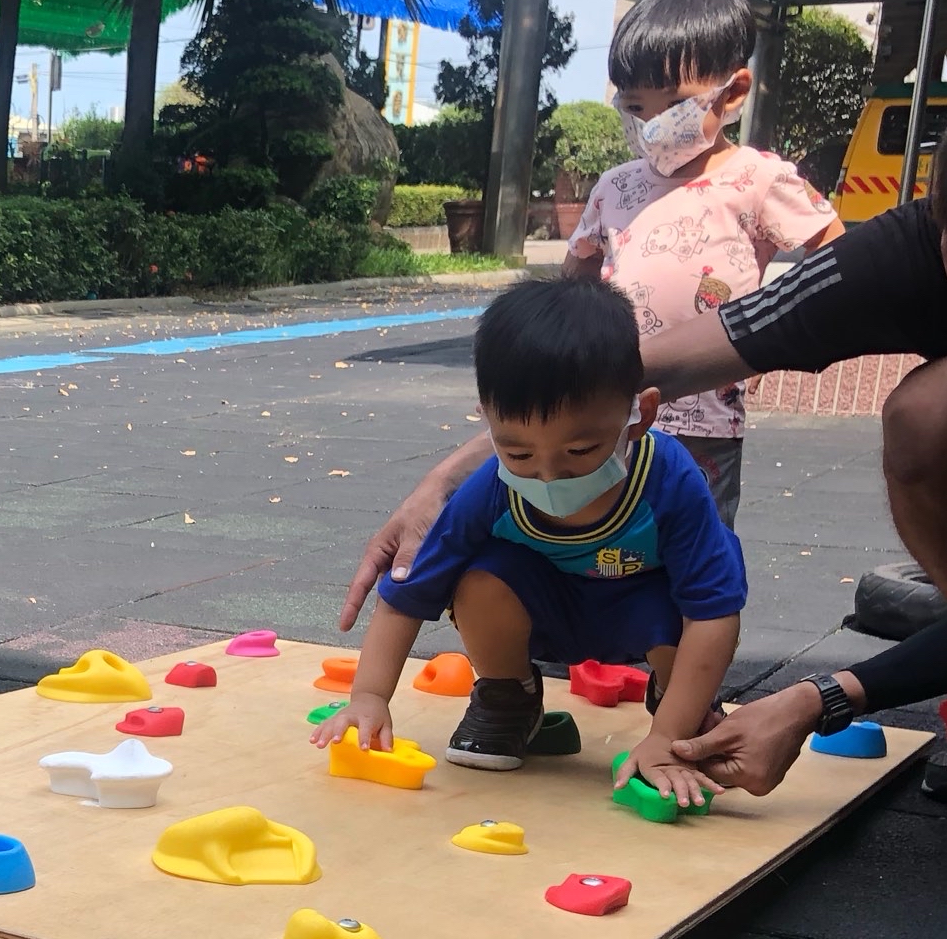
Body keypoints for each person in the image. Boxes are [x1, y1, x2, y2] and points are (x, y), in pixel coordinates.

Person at [348, 41, 947, 806]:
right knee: (938, 406)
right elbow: (672, 355)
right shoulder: (917, 247)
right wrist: (458, 473)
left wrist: (822, 697)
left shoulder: (668, 475)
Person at [314, 278, 744, 801]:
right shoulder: (490, 489)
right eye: (518, 453)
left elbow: (714, 613)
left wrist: (667, 737)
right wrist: (369, 697)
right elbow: (408, 592)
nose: (548, 475)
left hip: (645, 615)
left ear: (640, 415)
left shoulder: (670, 480)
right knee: (476, 578)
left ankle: (681, 710)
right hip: (543, 618)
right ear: (487, 421)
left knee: (695, 607)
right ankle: (509, 697)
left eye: (580, 451)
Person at [563, 0, 845, 526]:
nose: (651, 124)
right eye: (635, 106)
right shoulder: (616, 186)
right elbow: (574, 278)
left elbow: (837, 256)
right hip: (612, 411)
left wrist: (775, 335)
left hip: (706, 418)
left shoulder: (757, 179)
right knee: (605, 539)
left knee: (700, 543)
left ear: (732, 93)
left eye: (674, 105)